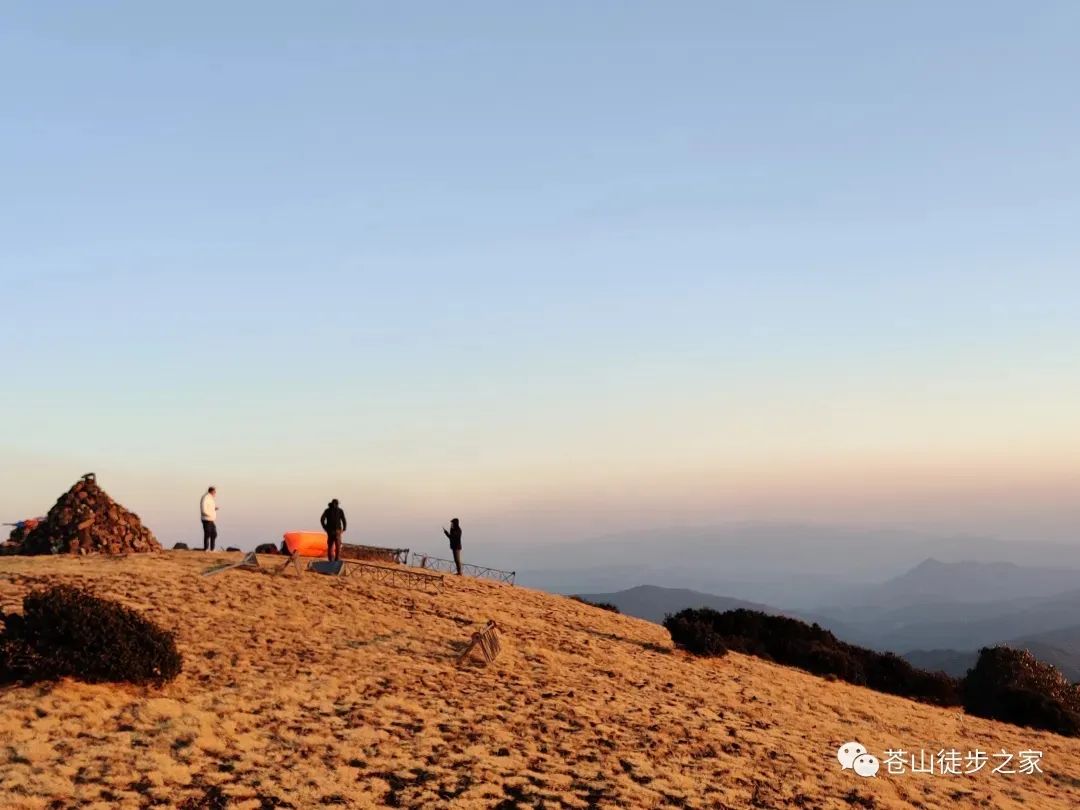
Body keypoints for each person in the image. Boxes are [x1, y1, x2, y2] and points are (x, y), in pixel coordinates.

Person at [200, 486, 218, 551]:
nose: (215, 493)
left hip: (211, 519)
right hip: (206, 519)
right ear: (212, 491)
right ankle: (206, 549)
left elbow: (209, 507)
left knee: (214, 534)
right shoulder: (205, 498)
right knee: (207, 534)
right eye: (215, 492)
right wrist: (210, 515)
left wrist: (214, 509)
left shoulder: (210, 498)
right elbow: (203, 509)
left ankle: (212, 549)